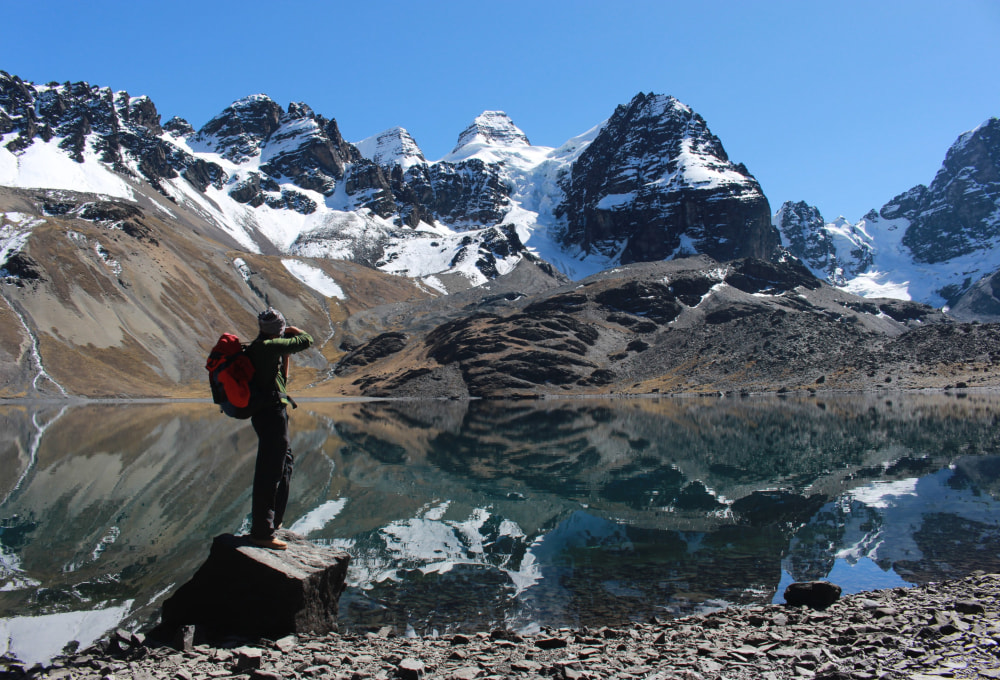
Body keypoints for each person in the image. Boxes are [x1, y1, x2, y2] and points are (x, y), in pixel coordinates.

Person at [244, 307, 313, 550]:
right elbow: (306, 340)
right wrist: (293, 331)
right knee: (269, 472)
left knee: (284, 462)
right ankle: (261, 532)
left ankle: (274, 522)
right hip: (271, 414)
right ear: (279, 330)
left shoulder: (262, 346)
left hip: (270, 412)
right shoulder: (268, 347)